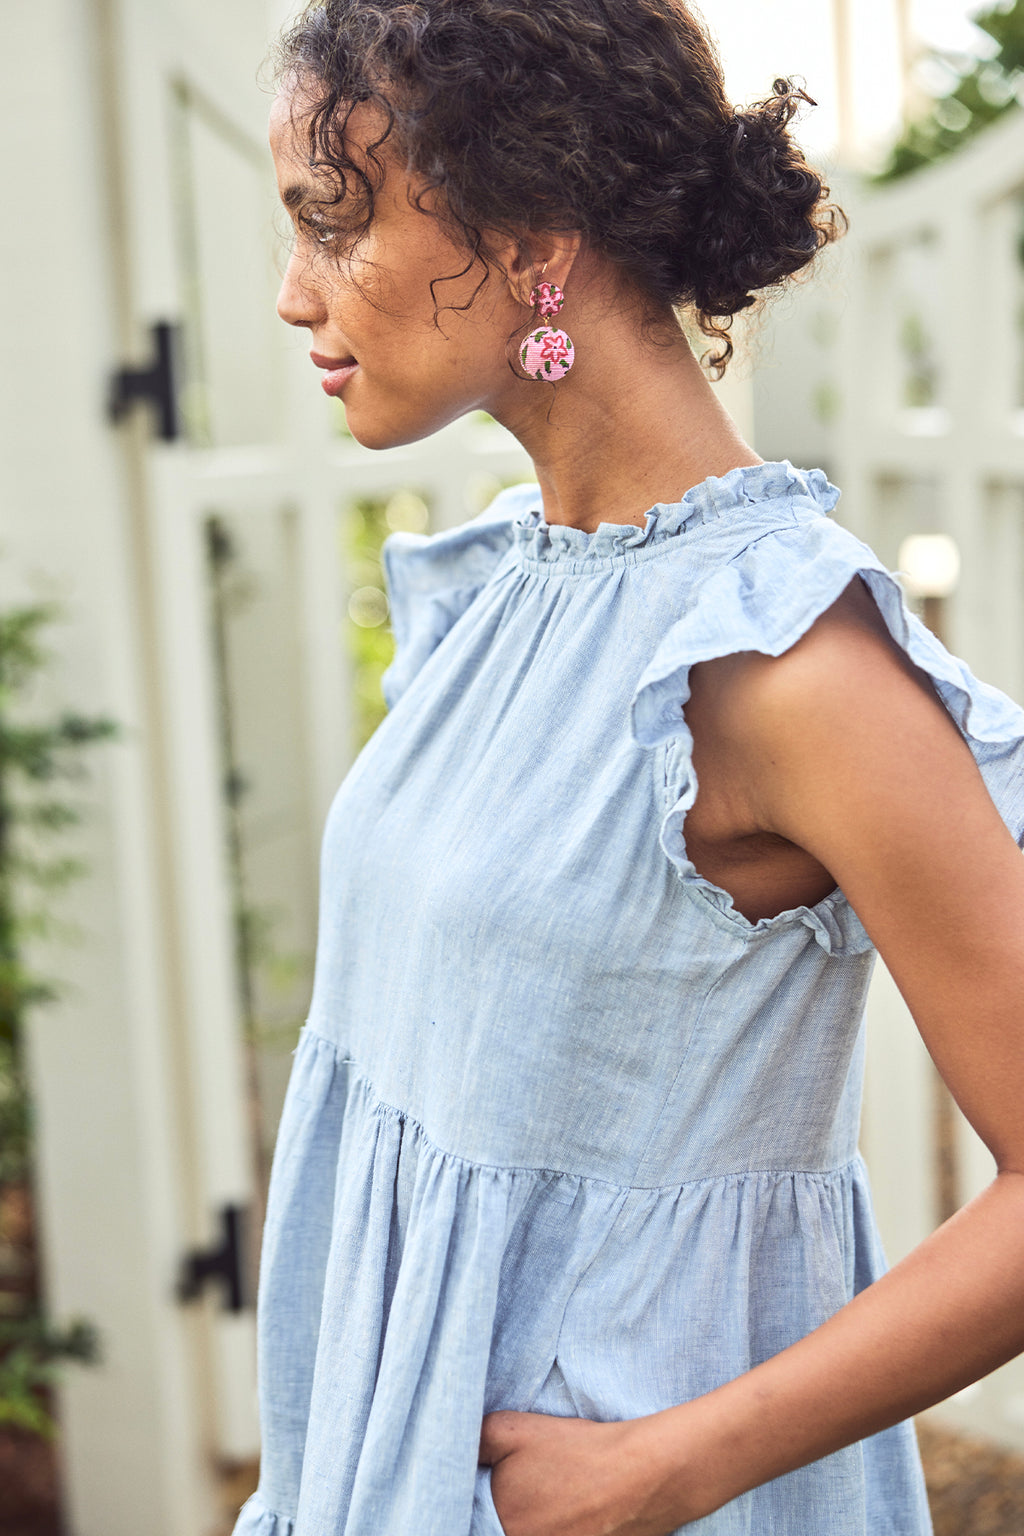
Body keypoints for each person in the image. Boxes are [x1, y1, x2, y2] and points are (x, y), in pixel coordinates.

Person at [235, 2, 1024, 1533]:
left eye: (334, 224)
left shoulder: (779, 663)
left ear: (532, 242)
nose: (291, 295)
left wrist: (668, 1467)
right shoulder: (501, 596)